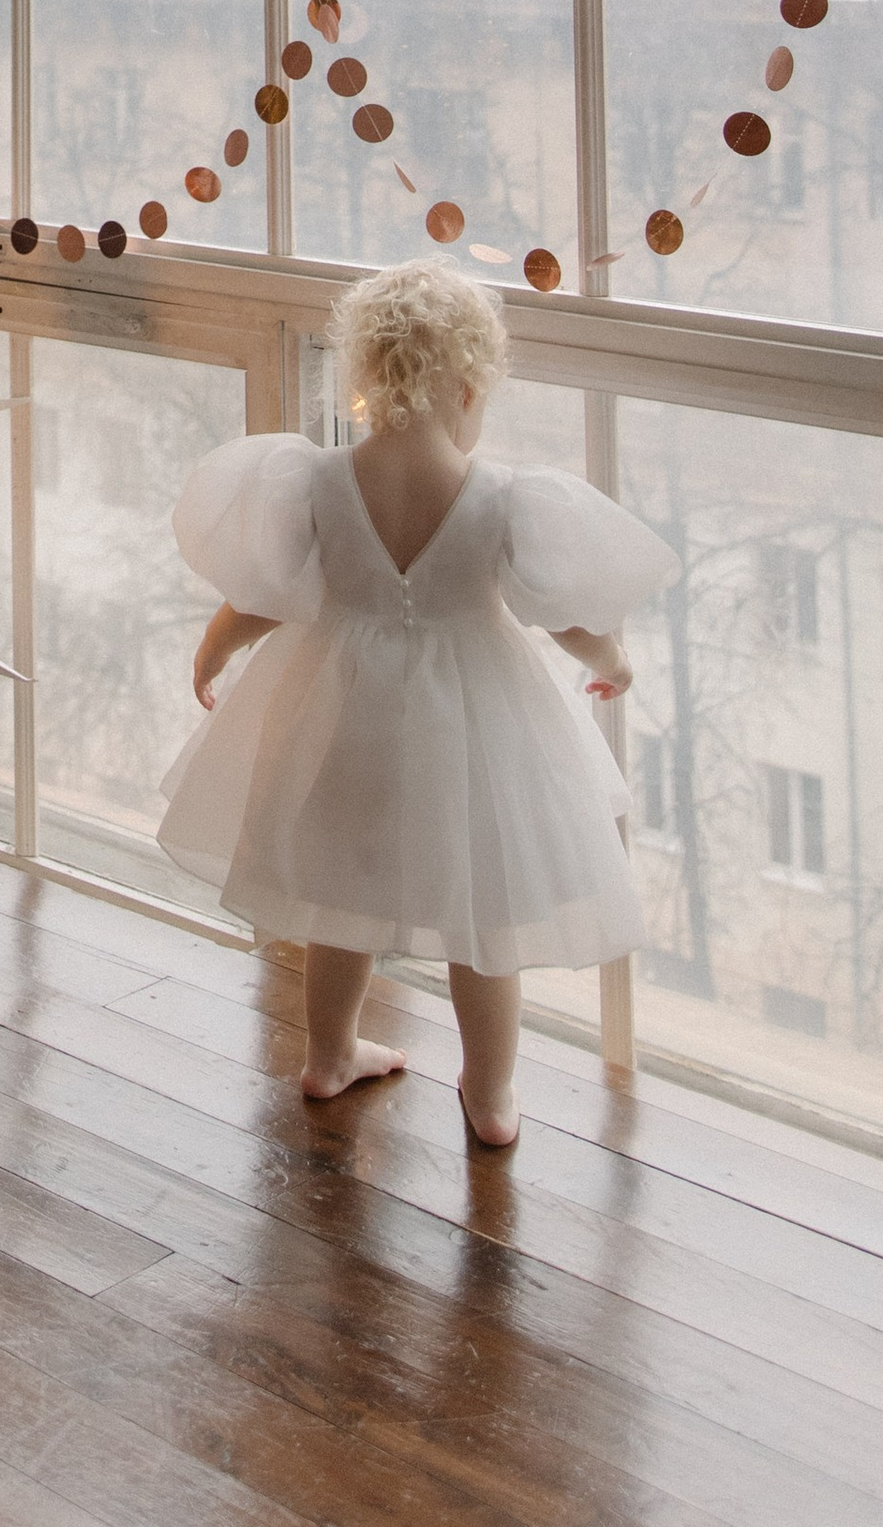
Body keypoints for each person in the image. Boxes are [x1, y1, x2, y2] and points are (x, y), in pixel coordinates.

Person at [160, 261, 675, 1148]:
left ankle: (327, 1056)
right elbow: (563, 617)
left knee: (340, 896)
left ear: (366, 378)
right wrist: (615, 660)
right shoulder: (507, 498)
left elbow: (267, 595)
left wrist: (215, 648)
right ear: (471, 386)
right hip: (473, 720)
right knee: (486, 917)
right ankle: (491, 1091)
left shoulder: (315, 479)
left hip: (341, 713)